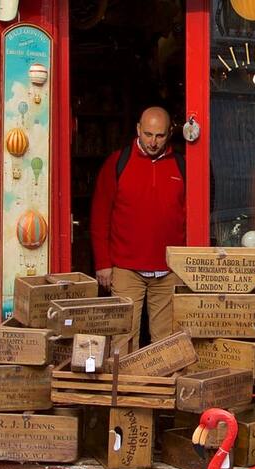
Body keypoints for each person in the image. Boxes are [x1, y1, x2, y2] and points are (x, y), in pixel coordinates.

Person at [91, 106, 187, 348]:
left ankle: (162, 377)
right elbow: (100, 215)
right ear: (138, 129)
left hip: (169, 269)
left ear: (170, 133)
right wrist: (103, 263)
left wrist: (187, 263)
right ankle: (124, 377)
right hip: (126, 268)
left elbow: (193, 215)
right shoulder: (118, 162)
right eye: (148, 134)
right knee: (123, 340)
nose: (153, 142)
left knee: (166, 344)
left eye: (160, 135)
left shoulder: (182, 165)